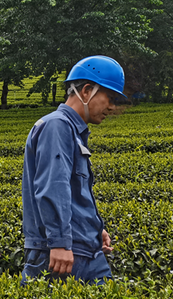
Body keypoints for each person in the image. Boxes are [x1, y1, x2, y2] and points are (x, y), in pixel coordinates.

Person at [21, 55, 127, 284]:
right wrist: (59, 243)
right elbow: (53, 186)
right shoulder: (57, 126)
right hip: (61, 254)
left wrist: (94, 229)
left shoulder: (73, 131)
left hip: (86, 251)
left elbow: (75, 192)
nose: (111, 106)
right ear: (87, 90)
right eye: (109, 97)